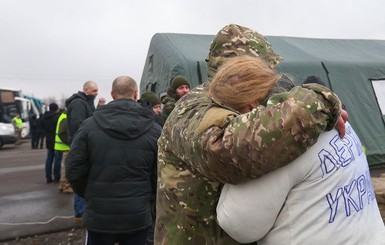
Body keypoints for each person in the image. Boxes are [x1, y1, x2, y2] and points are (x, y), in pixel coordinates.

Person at [155, 24, 346, 244]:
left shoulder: (243, 103)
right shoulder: (192, 109)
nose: (270, 79)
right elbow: (228, 152)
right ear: (241, 72)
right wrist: (318, 102)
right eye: (263, 72)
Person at [216, 62, 385, 243]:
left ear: (250, 108)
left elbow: (238, 225)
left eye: (231, 115)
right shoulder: (331, 116)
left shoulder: (277, 144)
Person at [66, 76, 161, 245]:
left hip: (100, 215)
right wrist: (147, 197)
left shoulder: (89, 126)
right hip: (137, 214)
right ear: (135, 94)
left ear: (112, 94)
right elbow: (160, 173)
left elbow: (74, 167)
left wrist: (89, 193)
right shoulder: (154, 130)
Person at [65, 80, 105, 222]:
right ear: (86, 90)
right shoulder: (78, 104)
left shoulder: (86, 102)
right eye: (94, 91)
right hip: (81, 145)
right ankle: (80, 213)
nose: (96, 93)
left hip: (85, 143)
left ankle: (84, 210)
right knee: (81, 174)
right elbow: (79, 125)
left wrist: (99, 107)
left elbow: (91, 118)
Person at [40, 103, 61, 183]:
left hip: (48, 140)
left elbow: (41, 126)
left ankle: (48, 177)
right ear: (56, 109)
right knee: (57, 160)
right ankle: (56, 177)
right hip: (57, 141)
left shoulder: (44, 118)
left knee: (49, 159)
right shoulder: (57, 117)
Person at [54, 110, 72, 193]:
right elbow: (62, 133)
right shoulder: (65, 118)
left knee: (64, 167)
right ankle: (66, 186)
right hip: (65, 146)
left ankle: (62, 184)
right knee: (67, 168)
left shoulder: (63, 116)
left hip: (61, 146)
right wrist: (69, 142)